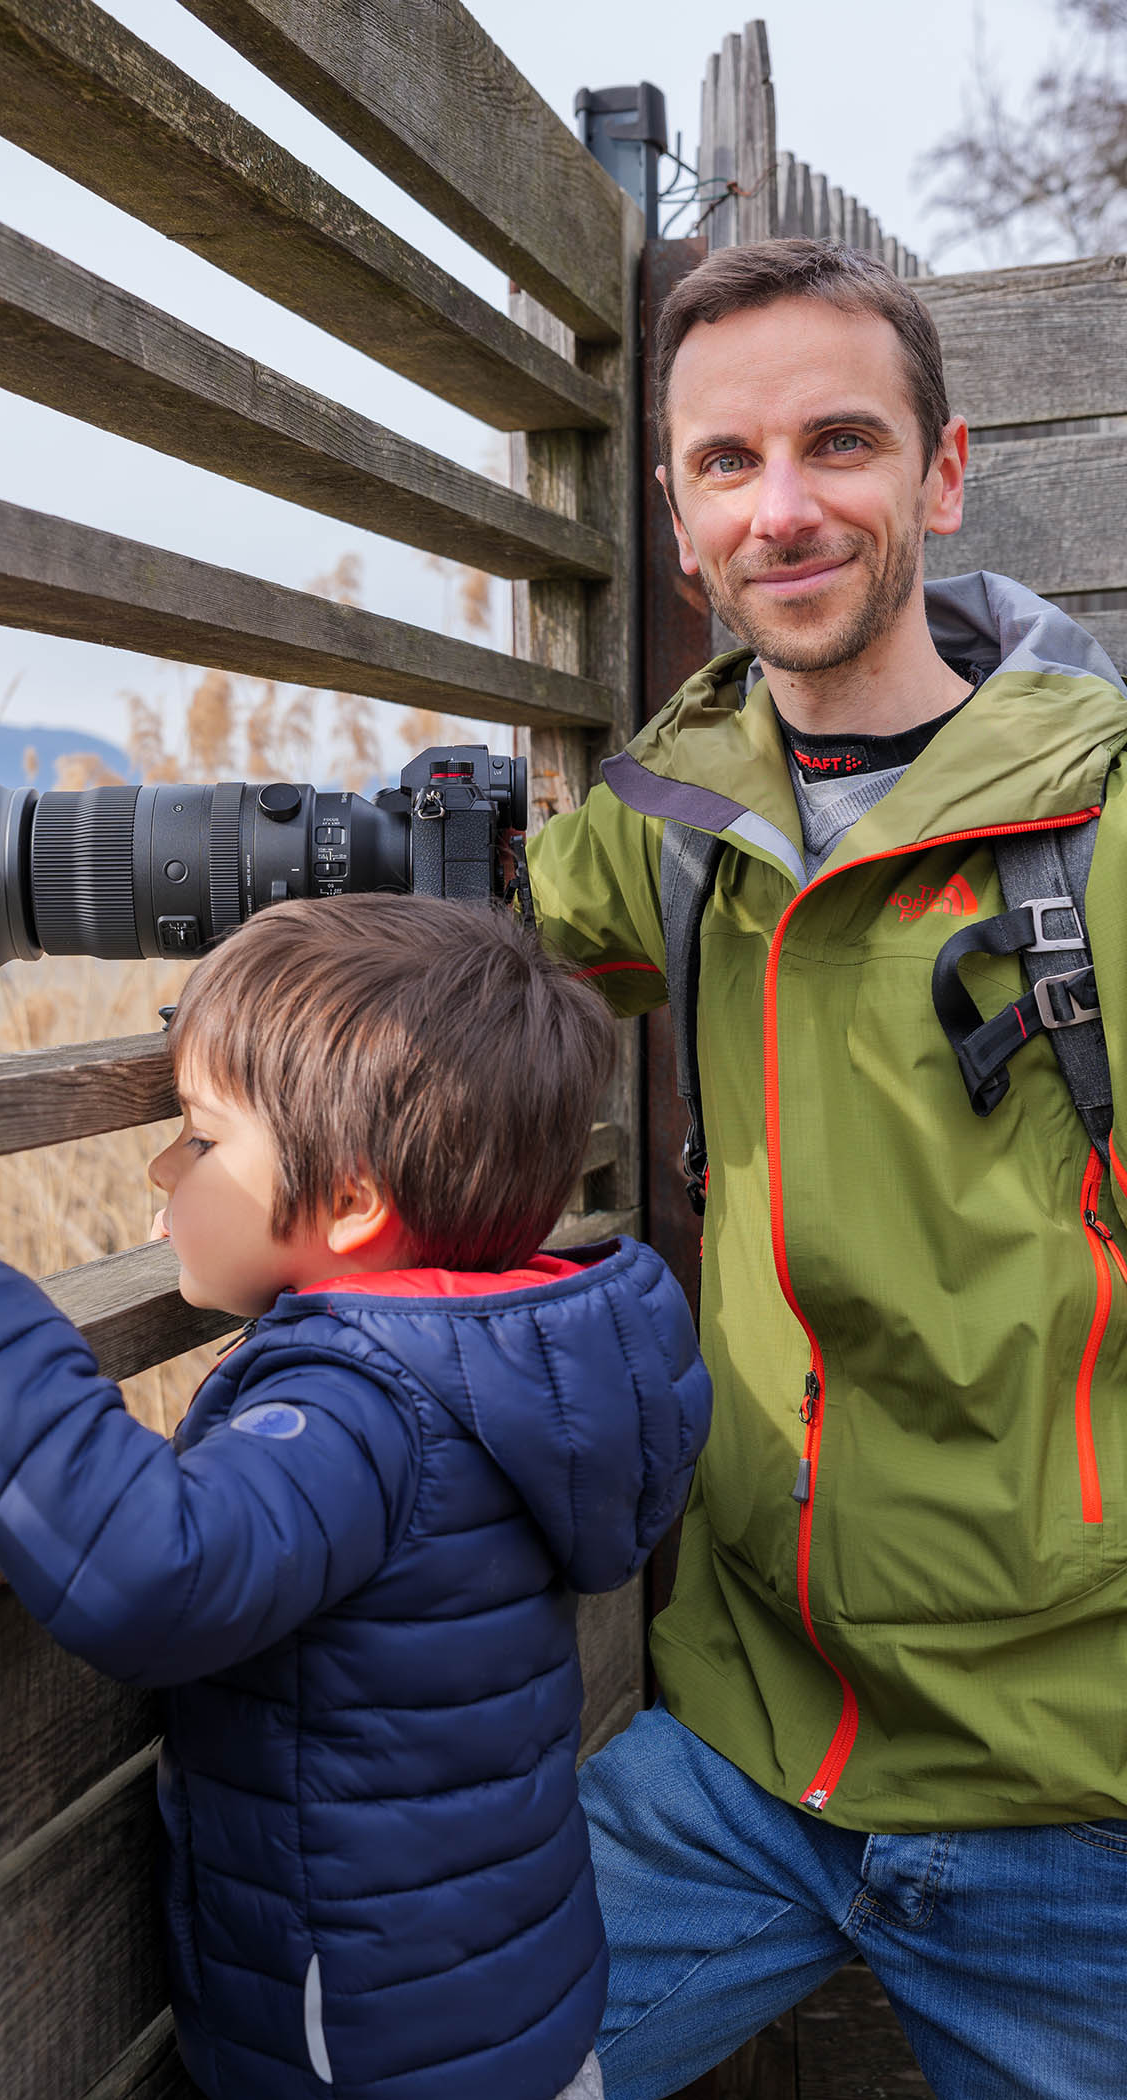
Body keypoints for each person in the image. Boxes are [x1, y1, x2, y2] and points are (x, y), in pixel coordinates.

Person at [0, 891, 711, 2100]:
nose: (160, 1167)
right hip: (499, 2023)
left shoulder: (364, 1414)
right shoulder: (497, 1358)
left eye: (201, 1138)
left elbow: (151, 1570)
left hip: (376, 2064)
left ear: (356, 1202)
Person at [524, 236, 1127, 2100]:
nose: (782, 511)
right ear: (679, 516)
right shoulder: (678, 828)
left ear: (942, 475)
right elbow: (439, 948)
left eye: (839, 445)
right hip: (740, 1759)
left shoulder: (1101, 821)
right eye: (728, 463)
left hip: (1073, 1804)